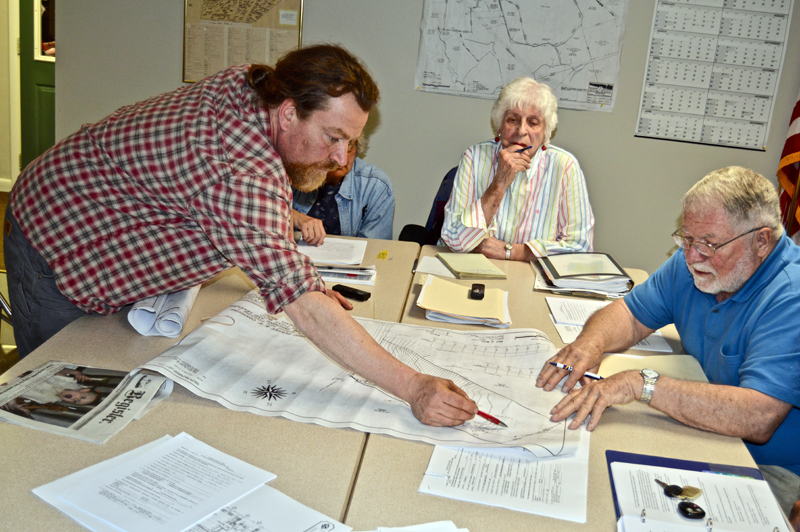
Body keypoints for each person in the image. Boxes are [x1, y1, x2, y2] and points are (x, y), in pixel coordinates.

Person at [5, 44, 477, 427]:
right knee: (57, 409)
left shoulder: (255, 83)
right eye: (333, 137)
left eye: (351, 141)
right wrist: (414, 387)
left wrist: (279, 218)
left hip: (95, 207)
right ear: (289, 112)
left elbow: (212, 185)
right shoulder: (235, 173)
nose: (340, 158)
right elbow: (302, 303)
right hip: (54, 242)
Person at [536, 166, 800, 518]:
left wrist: (639, 384)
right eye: (686, 239)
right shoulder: (696, 263)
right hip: (704, 433)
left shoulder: (790, 296)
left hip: (767, 466)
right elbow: (630, 314)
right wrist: (590, 344)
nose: (692, 256)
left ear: (761, 241)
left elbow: (757, 417)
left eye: (708, 243)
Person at [440, 76, 594, 261]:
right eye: (513, 120)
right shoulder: (474, 158)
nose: (522, 131)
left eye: (533, 122)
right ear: (499, 126)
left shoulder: (565, 167)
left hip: (530, 280)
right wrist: (499, 183)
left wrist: (512, 251)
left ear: (546, 133)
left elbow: (580, 249)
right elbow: (454, 240)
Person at [292, 136, 394, 245]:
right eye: (333, 143)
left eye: (350, 145)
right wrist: (294, 216)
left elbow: (373, 250)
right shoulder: (293, 171)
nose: (342, 158)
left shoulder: (375, 185)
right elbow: (271, 210)